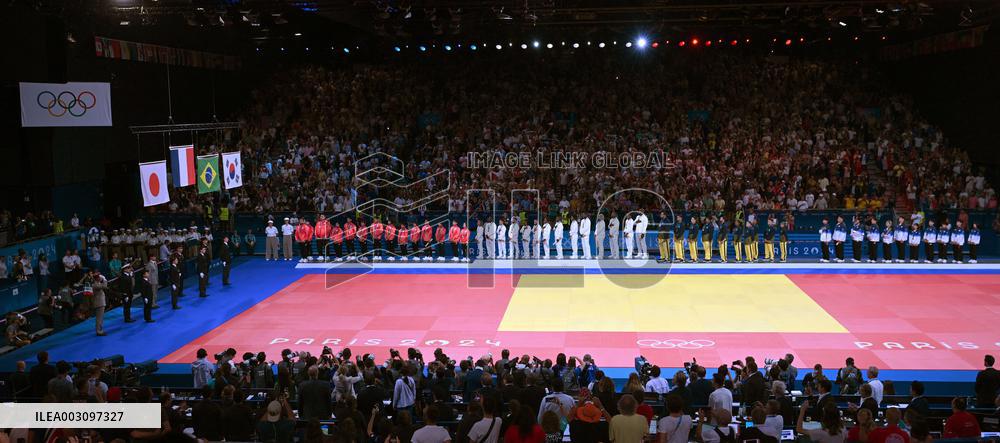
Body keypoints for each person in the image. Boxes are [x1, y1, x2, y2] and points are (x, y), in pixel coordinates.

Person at [91, 269, 108, 336]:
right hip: (99, 303)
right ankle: (99, 331)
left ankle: (100, 330)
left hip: (100, 303)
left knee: (100, 317)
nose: (100, 277)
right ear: (97, 278)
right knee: (99, 318)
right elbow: (105, 286)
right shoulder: (95, 285)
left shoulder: (97, 283)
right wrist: (104, 279)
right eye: (99, 277)